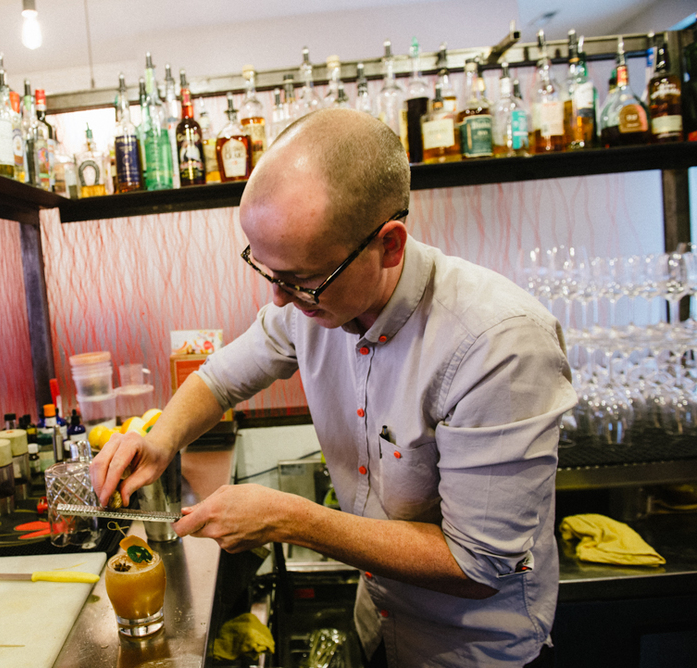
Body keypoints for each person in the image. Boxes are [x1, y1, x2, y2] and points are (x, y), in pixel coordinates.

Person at [91, 108, 576, 667]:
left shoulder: (500, 345)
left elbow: (478, 564)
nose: (278, 299)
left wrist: (293, 519)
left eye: (300, 279)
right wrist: (161, 437)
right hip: (378, 621)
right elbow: (218, 379)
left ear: (390, 244)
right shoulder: (310, 301)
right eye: (265, 270)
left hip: (474, 650)